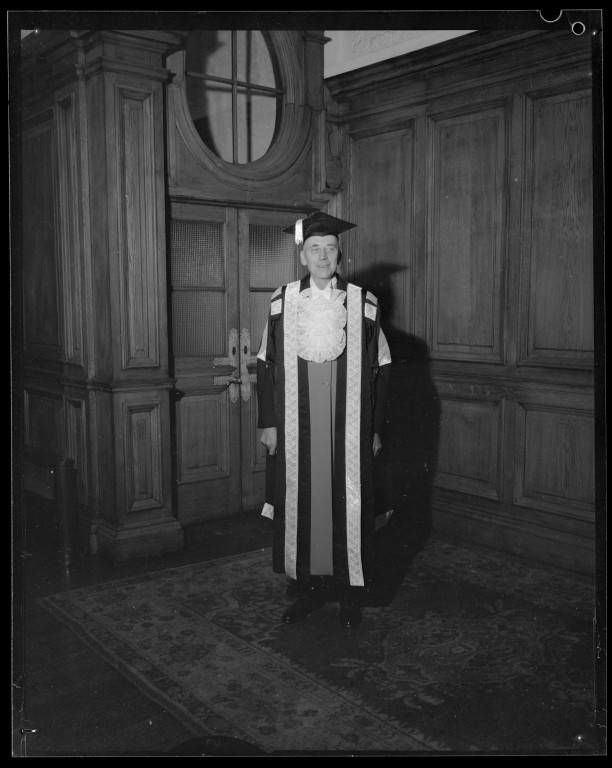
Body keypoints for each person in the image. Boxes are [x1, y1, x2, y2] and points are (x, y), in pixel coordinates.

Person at [256, 211, 392, 628]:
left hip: (347, 427)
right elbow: (265, 363)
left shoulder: (362, 303)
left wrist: (374, 429)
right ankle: (308, 592)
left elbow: (383, 365)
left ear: (340, 255)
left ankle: (351, 596)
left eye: (330, 249)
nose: (322, 256)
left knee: (347, 505)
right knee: (305, 505)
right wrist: (268, 423)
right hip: (298, 425)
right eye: (314, 249)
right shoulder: (282, 302)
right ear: (302, 256)